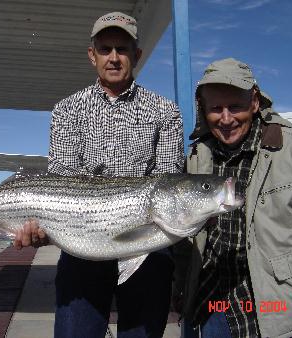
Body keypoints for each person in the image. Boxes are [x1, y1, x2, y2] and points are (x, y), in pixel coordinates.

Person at [14, 12, 184, 338]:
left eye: (123, 48)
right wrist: (41, 225)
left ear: (137, 55)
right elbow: (61, 177)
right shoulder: (67, 109)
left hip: (149, 248)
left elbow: (169, 180)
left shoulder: (165, 110)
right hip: (82, 245)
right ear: (92, 55)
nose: (114, 57)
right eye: (105, 49)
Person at [173, 58, 292, 338]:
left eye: (235, 106)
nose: (226, 118)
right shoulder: (197, 157)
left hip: (277, 309)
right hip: (213, 308)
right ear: (203, 109)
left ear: (255, 102)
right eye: (215, 108)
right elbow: (187, 242)